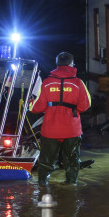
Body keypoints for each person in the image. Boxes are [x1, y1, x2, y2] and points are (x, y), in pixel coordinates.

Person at [29, 51, 92, 184]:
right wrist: (71, 111)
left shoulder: (47, 82)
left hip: (51, 129)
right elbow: (86, 105)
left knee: (46, 162)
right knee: (72, 162)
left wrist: (30, 104)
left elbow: (37, 108)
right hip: (72, 129)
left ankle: (42, 187)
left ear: (57, 64)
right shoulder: (78, 83)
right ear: (71, 64)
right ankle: (71, 188)